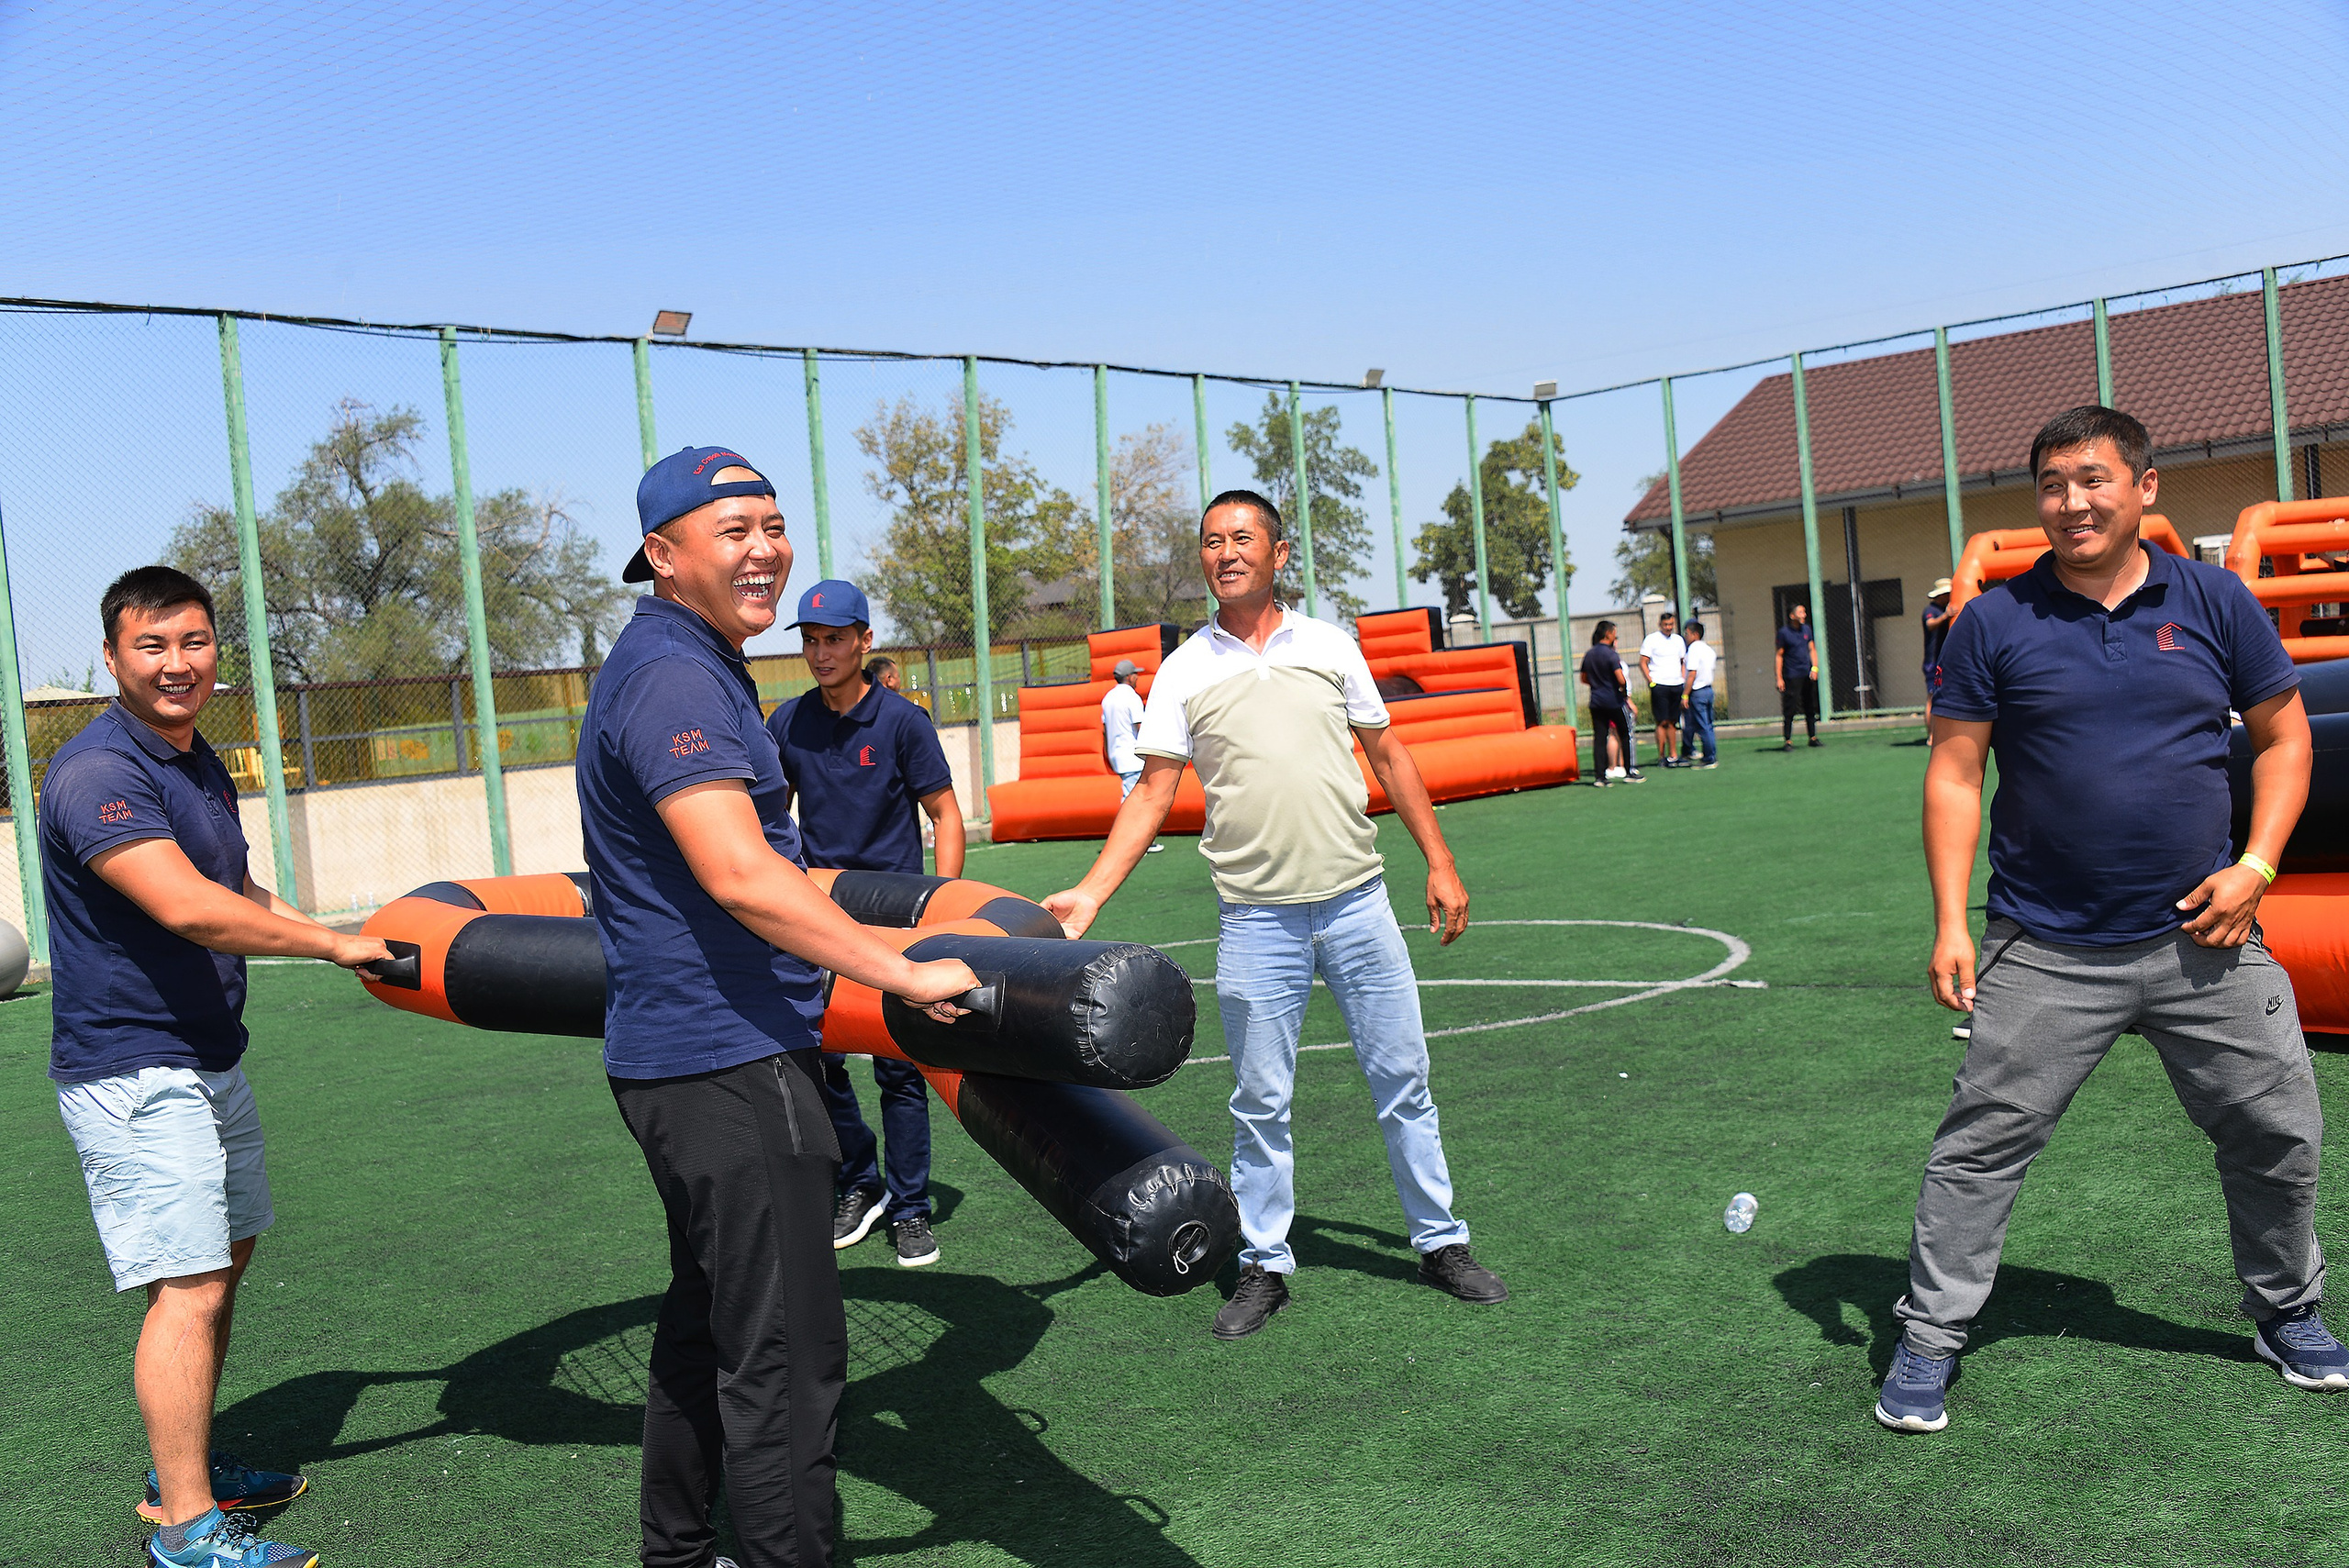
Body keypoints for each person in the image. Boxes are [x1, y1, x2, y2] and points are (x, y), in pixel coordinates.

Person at [1876, 405, 2336, 1436]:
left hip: (2205, 938)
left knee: (2276, 1129)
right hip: (2043, 944)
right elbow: (1954, 775)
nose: (2070, 501)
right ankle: (1930, 1334)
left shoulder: (2216, 600)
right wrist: (1951, 922)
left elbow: (2283, 738)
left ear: (2143, 488)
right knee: (1979, 1147)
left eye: (2091, 478)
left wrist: (2256, 865)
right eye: (2050, 483)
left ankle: (2287, 1310)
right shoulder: (1993, 620)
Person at [578, 445, 978, 1568]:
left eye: (773, 524)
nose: (764, 550)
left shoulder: (687, 660)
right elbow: (744, 873)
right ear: (664, 554)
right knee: (788, 1361)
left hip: (686, 1058)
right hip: (729, 1058)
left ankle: (679, 1552)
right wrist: (901, 974)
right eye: (732, 530)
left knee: (710, 1325)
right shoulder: (674, 677)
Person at [1041, 488, 1508, 1342]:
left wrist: (1439, 862)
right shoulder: (1184, 669)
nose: (1226, 552)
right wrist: (1090, 890)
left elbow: (1389, 754)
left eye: (1242, 538)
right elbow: (1153, 790)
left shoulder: (1332, 647)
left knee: (1404, 1082)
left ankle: (1441, 1242)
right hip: (1257, 923)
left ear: (1279, 552)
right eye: (1212, 541)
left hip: (1360, 907)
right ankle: (1263, 1261)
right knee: (1261, 1101)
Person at [43, 566, 393, 1568]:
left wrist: (345, 933)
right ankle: (188, 1528)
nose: (176, 663)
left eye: (193, 642)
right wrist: (330, 950)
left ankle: (182, 1464)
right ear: (111, 659)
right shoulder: (97, 773)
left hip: (207, 1055)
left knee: (224, 1257)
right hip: (132, 1067)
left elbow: (234, 886)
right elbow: (187, 908)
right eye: (151, 645)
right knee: (188, 1283)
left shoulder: (197, 763)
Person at [769, 578, 966, 1270]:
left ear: (864, 641)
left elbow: (944, 812)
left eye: (834, 640)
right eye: (811, 641)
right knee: (816, 1059)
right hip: (817, 917)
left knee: (900, 1069)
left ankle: (911, 1209)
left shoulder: (902, 722)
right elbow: (767, 816)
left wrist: (943, 899)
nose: (821, 653)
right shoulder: (788, 723)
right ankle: (860, 1179)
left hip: (895, 923)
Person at [1100, 657, 1163, 851]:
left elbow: (1104, 730)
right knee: (1134, 800)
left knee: (1131, 798)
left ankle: (1132, 842)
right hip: (1132, 756)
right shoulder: (1131, 697)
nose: (1137, 677)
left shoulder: (1108, 698)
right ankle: (1133, 844)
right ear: (1129, 677)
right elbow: (1140, 726)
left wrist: (1107, 755)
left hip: (1117, 754)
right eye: (1135, 674)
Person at [1578, 621, 1642, 784]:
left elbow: (1584, 678)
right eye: (1614, 633)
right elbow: (1621, 678)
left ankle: (1600, 776)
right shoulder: (1611, 654)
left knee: (1600, 738)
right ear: (1608, 634)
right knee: (1625, 733)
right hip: (1614, 701)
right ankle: (1630, 771)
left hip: (1596, 702)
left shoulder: (1590, 654)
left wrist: (1598, 685)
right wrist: (1623, 690)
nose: (1615, 636)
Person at [1639, 610, 1687, 767]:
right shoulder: (1651, 639)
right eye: (1666, 625)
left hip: (1676, 685)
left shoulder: (1678, 640)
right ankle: (1662, 757)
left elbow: (1683, 661)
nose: (1669, 627)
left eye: (1671, 624)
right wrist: (1651, 680)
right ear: (1660, 625)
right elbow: (1643, 662)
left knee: (1673, 722)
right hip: (1659, 685)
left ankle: (1673, 755)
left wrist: (1682, 678)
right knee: (1662, 721)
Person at [1776, 602, 1821, 750]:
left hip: (1806, 674)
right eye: (1801, 612)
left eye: (1804, 612)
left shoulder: (1807, 629)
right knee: (1791, 708)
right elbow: (1779, 656)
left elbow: (1812, 649)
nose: (1804, 615)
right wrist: (1779, 678)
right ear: (1792, 616)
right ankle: (1788, 741)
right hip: (1792, 675)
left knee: (1810, 706)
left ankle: (1812, 737)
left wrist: (1815, 668)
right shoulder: (1784, 633)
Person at [1680, 618, 1720, 769]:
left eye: (1687, 633)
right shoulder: (1708, 649)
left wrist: (1685, 694)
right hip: (1708, 690)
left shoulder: (1694, 650)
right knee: (1708, 725)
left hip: (1698, 692)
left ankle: (1709, 758)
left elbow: (1692, 674)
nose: (1686, 636)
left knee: (1703, 726)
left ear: (1695, 634)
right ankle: (1710, 754)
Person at [1920, 577, 1954, 719]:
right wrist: (1945, 616)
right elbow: (1930, 624)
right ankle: (1931, 735)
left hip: (1944, 661)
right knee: (1933, 697)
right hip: (1933, 663)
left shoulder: (1943, 609)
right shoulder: (1931, 610)